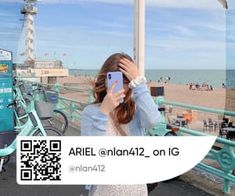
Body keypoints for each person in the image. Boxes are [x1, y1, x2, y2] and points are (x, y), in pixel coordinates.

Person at [81, 53, 161, 196]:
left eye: (126, 80)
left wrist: (139, 83)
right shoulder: (91, 112)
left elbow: (153, 120)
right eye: (115, 79)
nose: (121, 87)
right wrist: (104, 112)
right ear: (105, 80)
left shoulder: (136, 110)